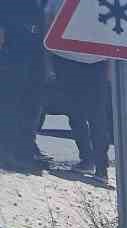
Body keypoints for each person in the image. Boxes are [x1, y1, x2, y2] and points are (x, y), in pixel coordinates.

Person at [0, 0, 52, 172]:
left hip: (37, 56)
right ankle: (7, 153)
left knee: (32, 106)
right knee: (11, 105)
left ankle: (25, 151)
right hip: (13, 53)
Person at [51, 50, 110, 181]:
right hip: (67, 58)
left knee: (96, 117)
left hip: (96, 61)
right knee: (76, 114)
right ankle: (87, 161)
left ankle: (101, 167)